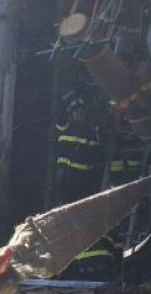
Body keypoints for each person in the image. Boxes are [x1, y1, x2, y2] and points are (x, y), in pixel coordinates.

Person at [53, 92, 114, 278]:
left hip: (83, 182)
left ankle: (92, 262)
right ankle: (74, 263)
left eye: (80, 112)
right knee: (69, 220)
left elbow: (96, 156)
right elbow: (58, 116)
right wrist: (65, 99)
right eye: (75, 112)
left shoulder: (89, 132)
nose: (78, 115)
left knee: (82, 218)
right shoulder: (65, 128)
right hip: (65, 182)